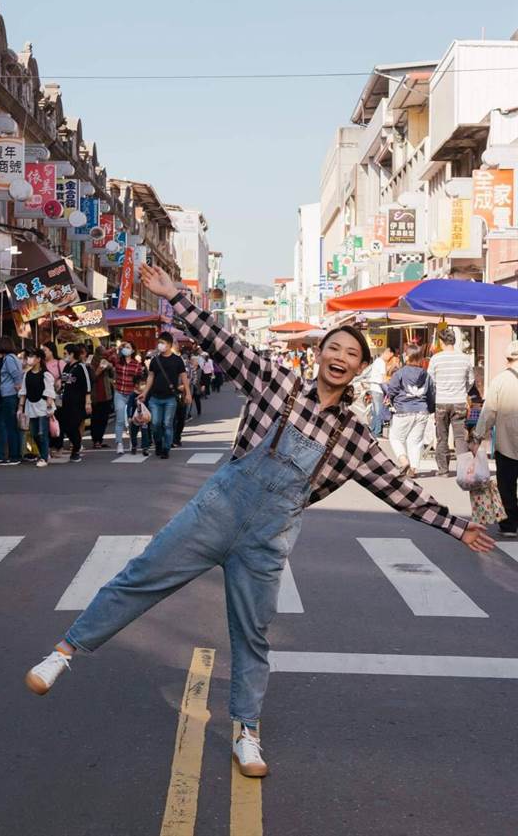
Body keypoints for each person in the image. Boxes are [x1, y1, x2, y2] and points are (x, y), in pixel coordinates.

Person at [25, 264, 494, 780]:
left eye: (352, 355)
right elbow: (223, 343)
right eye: (334, 349)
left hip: (266, 542)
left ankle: (246, 730)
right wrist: (177, 297)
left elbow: (397, 489)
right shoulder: (276, 382)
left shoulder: (356, 436)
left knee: (252, 635)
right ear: (319, 355)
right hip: (215, 513)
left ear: (360, 369)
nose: (340, 359)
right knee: (141, 577)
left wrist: (454, 525)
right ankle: (64, 652)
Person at [474, 341, 518, 537]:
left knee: (506, 484)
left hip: (507, 442)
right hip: (507, 441)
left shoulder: (499, 380)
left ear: (507, 359)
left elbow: (489, 412)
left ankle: (509, 524)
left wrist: (478, 436)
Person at [427, 328, 474, 476]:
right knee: (460, 437)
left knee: (442, 437)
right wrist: (463, 389)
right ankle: (463, 470)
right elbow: (471, 380)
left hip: (441, 401)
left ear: (441, 342)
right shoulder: (465, 358)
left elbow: (431, 381)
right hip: (459, 401)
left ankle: (443, 470)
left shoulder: (436, 359)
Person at [387, 344, 435, 478]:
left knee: (395, 437)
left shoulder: (400, 373)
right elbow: (431, 393)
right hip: (422, 411)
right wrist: (431, 409)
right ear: (420, 358)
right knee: (415, 441)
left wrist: (391, 401)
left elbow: (392, 390)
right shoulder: (426, 375)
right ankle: (413, 469)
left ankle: (404, 461)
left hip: (403, 410)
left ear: (406, 356)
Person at [143, 331, 192, 459]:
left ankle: (166, 448)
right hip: (155, 398)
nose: (160, 345)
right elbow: (150, 377)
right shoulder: (155, 360)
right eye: (159, 343)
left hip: (170, 398)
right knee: (155, 424)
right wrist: (144, 393)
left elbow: (184, 376)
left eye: (162, 343)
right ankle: (158, 443)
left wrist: (188, 393)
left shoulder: (177, 360)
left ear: (169, 345)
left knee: (167, 424)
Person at [18, 348, 56, 467]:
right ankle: (44, 452)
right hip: (31, 406)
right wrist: (20, 408)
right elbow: (23, 392)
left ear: (39, 359)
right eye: (29, 356)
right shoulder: (27, 375)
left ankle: (43, 457)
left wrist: (50, 407)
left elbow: (49, 391)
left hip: (43, 406)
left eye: (33, 356)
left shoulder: (46, 374)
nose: (30, 359)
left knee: (42, 433)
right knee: (34, 433)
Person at [60, 344, 93, 462]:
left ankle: (76, 449)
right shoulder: (66, 367)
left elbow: (87, 385)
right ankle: (75, 446)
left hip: (78, 403)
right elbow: (63, 384)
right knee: (66, 426)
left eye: (65, 353)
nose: (64, 356)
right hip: (65, 402)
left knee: (73, 426)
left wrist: (88, 402)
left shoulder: (81, 367)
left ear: (72, 354)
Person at [0, 337, 23, 465]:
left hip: (9, 394)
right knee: (12, 425)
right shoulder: (14, 358)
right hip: (12, 394)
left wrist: (18, 386)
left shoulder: (9, 359)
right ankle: (15, 454)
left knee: (10, 426)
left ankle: (14, 455)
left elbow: (16, 374)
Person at [110, 340, 140, 454]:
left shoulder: (137, 364)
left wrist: (139, 393)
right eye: (124, 347)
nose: (125, 349)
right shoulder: (117, 361)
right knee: (120, 419)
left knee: (132, 419)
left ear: (132, 350)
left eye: (128, 347)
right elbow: (106, 356)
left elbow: (139, 380)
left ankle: (132, 441)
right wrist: (117, 347)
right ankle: (119, 443)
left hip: (132, 394)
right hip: (119, 393)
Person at [42, 342, 66, 457]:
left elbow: (68, 376)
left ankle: (58, 446)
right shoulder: (41, 364)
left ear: (51, 351)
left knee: (57, 420)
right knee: (46, 422)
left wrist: (60, 381)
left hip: (57, 396)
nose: (43, 352)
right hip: (44, 397)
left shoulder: (59, 363)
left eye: (45, 350)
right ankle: (49, 447)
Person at [90, 347, 115, 449]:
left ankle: (99, 440)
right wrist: (98, 371)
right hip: (94, 396)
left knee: (104, 419)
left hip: (106, 395)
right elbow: (91, 378)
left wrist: (110, 367)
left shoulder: (106, 362)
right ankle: (96, 440)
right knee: (95, 419)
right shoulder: (91, 363)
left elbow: (113, 375)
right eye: (101, 355)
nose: (102, 357)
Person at [365, 346, 393, 438]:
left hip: (374, 388)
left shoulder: (377, 361)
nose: (390, 358)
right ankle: (377, 431)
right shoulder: (381, 362)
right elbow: (384, 378)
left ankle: (373, 429)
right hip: (378, 389)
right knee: (378, 411)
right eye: (390, 356)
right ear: (388, 352)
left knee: (375, 410)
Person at [126, 374, 151, 456]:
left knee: (145, 432)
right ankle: (134, 446)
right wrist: (129, 416)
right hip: (135, 418)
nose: (144, 386)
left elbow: (148, 405)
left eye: (145, 384)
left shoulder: (145, 394)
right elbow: (129, 406)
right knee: (133, 433)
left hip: (144, 418)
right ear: (136, 385)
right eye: (142, 384)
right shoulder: (132, 395)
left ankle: (145, 448)